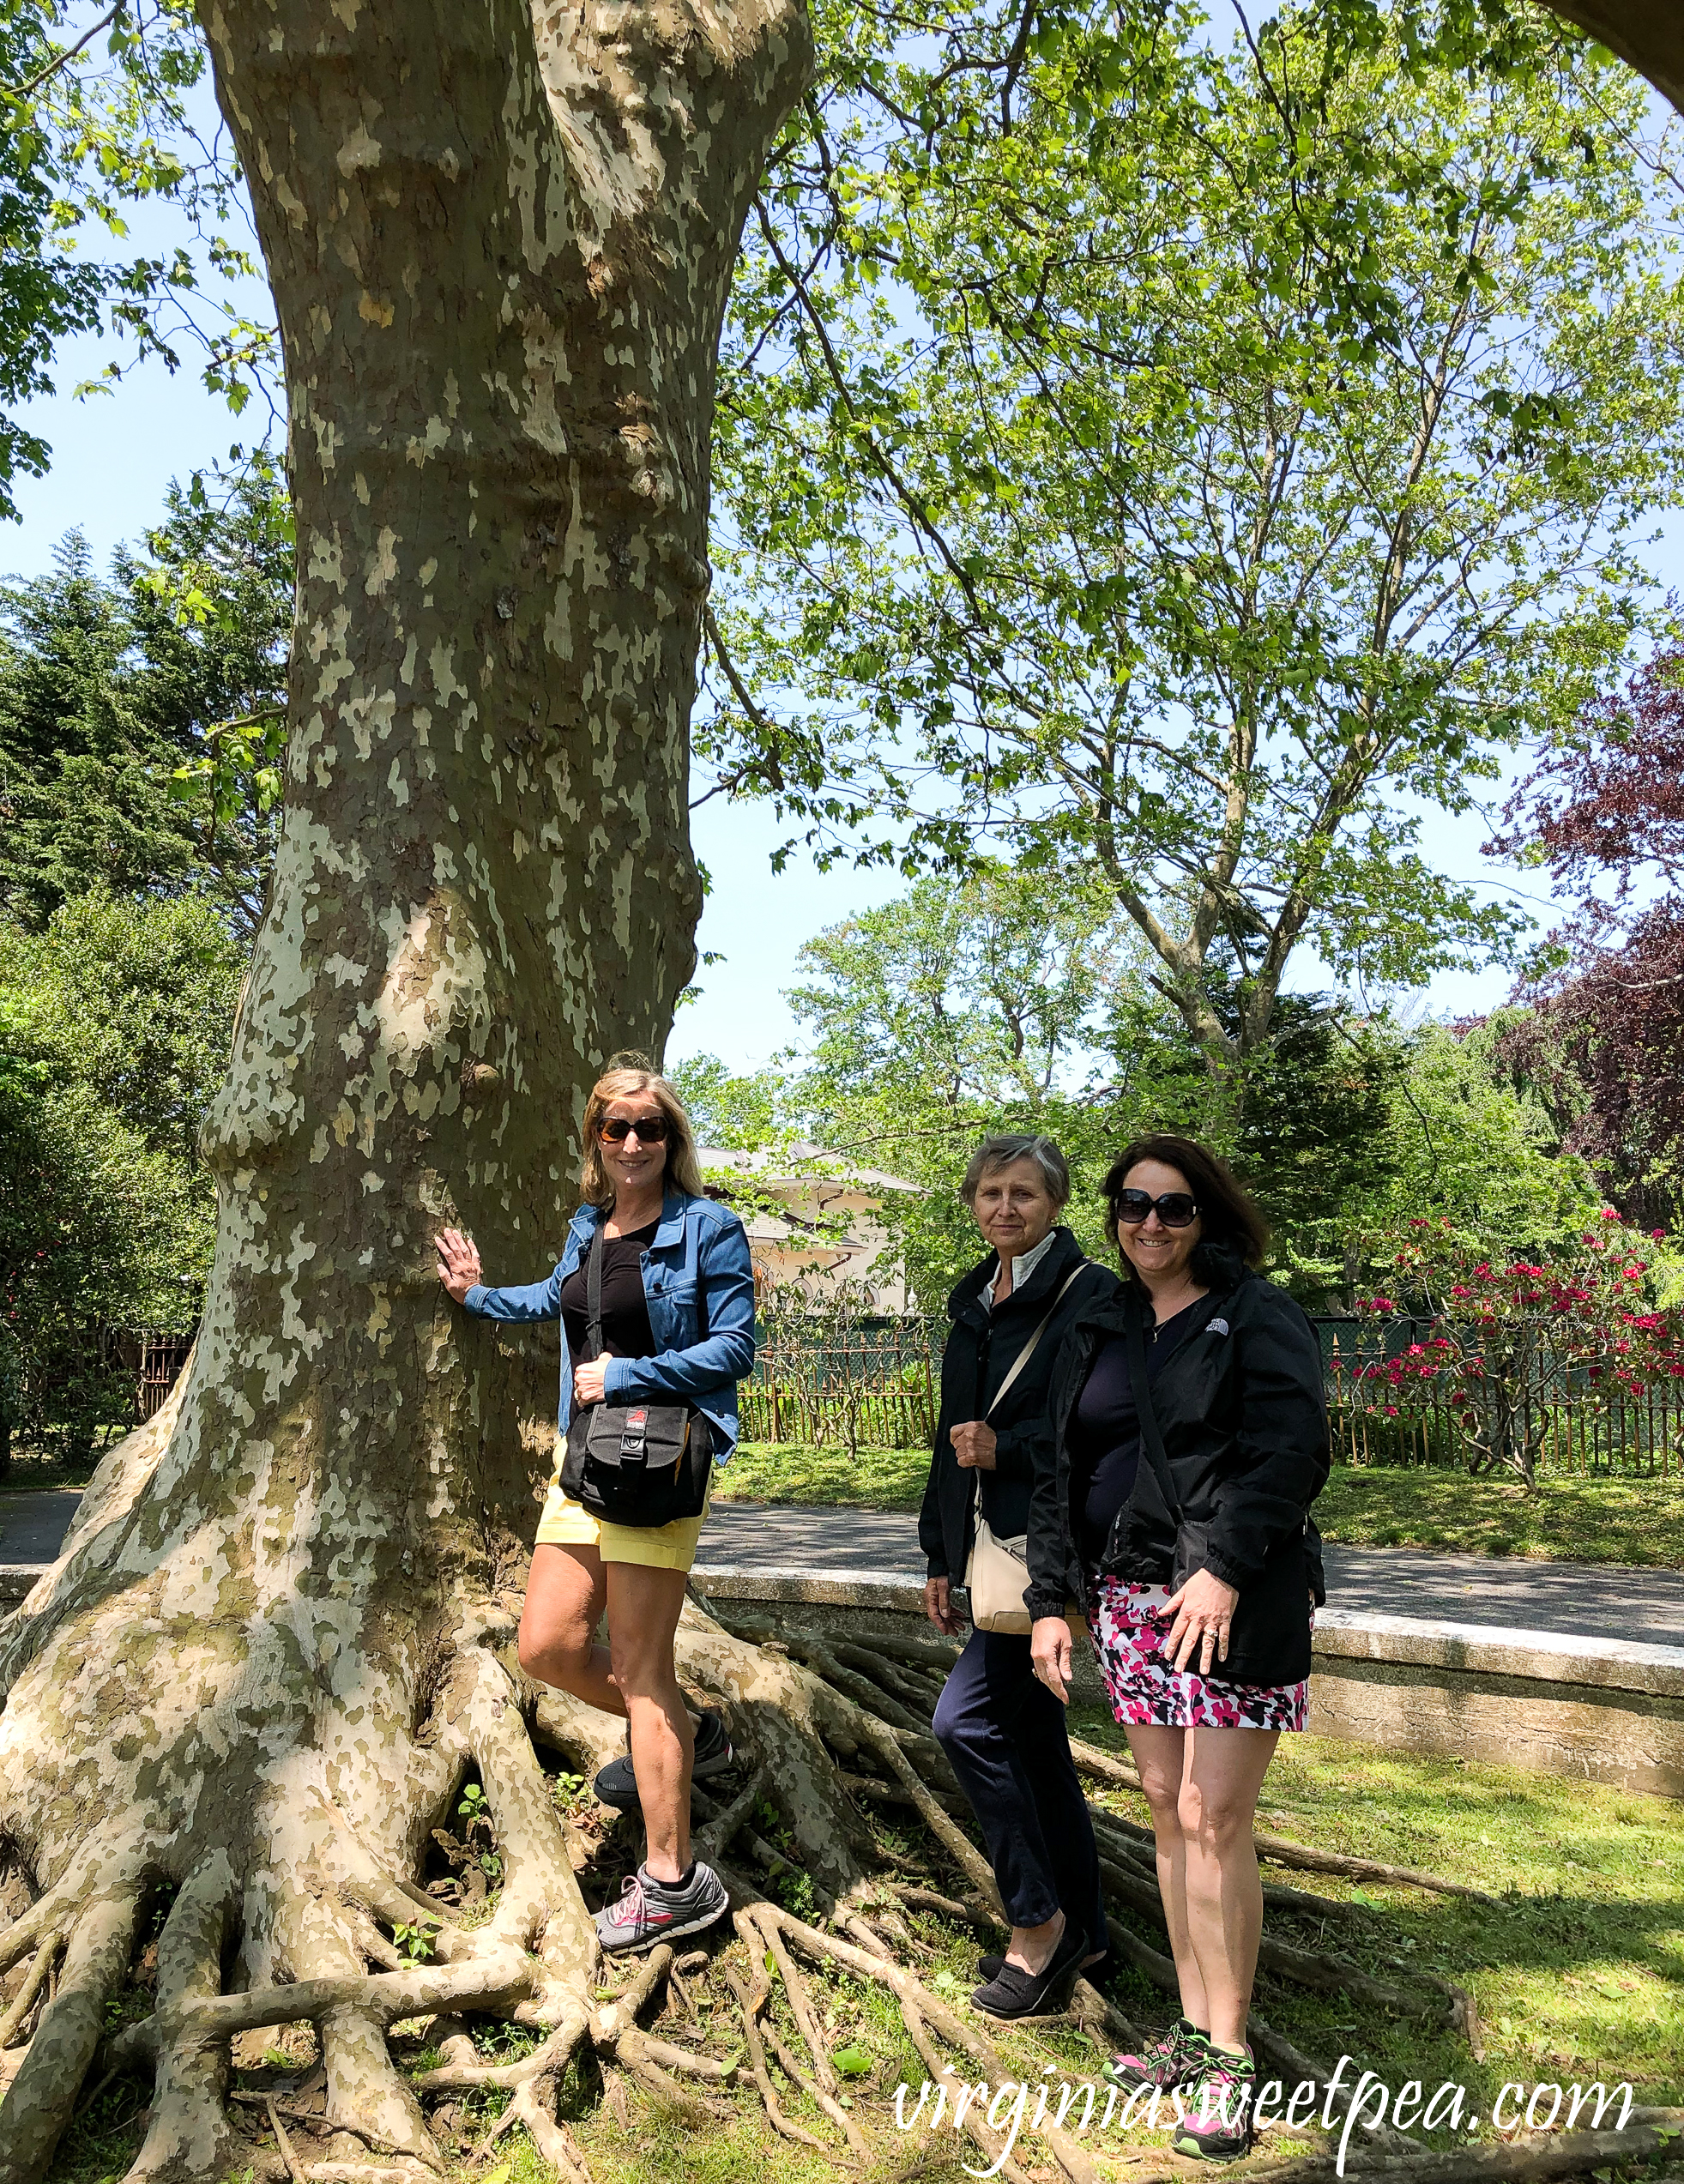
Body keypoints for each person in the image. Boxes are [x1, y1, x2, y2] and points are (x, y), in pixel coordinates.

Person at [1025, 1133, 1327, 2162]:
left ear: (1210, 1216)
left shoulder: (1256, 1313)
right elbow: (1058, 1470)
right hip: (1126, 1598)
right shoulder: (1100, 1322)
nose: (1149, 1223)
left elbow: (1292, 1451)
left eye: (1173, 1207)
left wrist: (1227, 1566)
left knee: (1214, 1813)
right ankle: (1194, 2030)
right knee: (1162, 1807)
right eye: (1131, 1204)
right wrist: (1053, 1598)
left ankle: (1231, 2054)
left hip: (1229, 1602)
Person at [435, 1062, 755, 1953]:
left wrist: (629, 1374)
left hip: (661, 1464)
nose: (631, 1143)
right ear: (594, 1138)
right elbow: (556, 1302)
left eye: (648, 1127)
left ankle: (672, 1881)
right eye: (614, 1128)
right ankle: (695, 1736)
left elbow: (734, 1346)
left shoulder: (707, 1227)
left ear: (671, 1137)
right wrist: (473, 1294)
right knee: (547, 1645)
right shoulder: (588, 1225)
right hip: (586, 1462)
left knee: (645, 1672)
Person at [919, 1133, 1119, 2018]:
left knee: (963, 1720)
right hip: (986, 1548)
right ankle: (1092, 1931)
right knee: (1037, 1747)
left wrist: (1014, 1449)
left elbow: (1108, 1437)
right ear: (971, 1203)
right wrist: (934, 1551)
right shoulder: (973, 1300)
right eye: (991, 1192)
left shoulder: (1088, 1298)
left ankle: (1036, 1924)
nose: (1006, 1207)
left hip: (1053, 1550)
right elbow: (945, 1438)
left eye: (1025, 1194)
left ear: (1056, 1203)